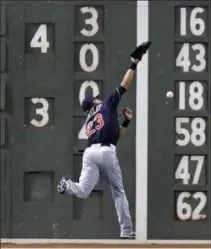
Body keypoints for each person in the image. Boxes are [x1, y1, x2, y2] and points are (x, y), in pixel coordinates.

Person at [57, 41, 151, 239]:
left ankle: (67, 186)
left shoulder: (90, 118)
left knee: (82, 191)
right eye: (96, 98)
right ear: (95, 102)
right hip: (106, 151)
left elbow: (115, 135)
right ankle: (126, 231)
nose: (99, 98)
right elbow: (125, 84)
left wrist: (126, 121)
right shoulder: (107, 104)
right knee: (118, 191)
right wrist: (134, 64)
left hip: (90, 153)